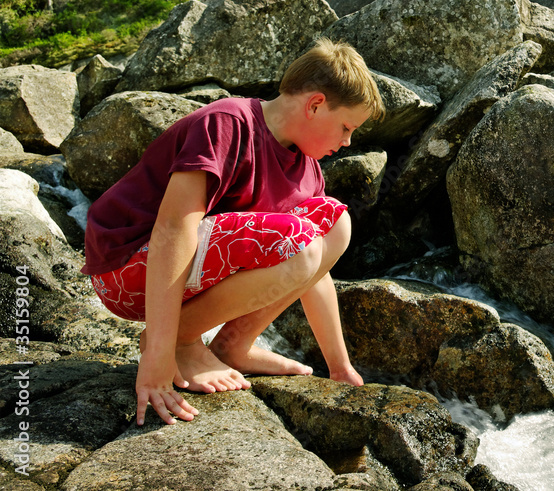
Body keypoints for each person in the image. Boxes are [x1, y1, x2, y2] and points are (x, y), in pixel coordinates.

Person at [81, 37, 385, 427]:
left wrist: (339, 368)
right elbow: (174, 230)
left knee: (335, 223)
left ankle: (233, 344)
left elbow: (314, 271)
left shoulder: (307, 168)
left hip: (185, 274)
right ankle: (182, 341)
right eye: (346, 127)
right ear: (315, 104)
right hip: (126, 268)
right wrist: (158, 355)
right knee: (299, 240)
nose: (347, 142)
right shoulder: (227, 123)